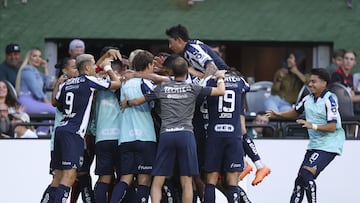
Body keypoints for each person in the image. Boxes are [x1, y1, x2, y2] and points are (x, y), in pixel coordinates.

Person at [123, 55, 226, 203]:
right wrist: (220, 78)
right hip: (186, 135)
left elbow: (138, 101)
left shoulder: (162, 88)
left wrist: (127, 102)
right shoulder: (193, 88)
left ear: (171, 72)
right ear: (186, 72)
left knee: (157, 180)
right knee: (187, 181)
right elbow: (220, 91)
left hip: (167, 135)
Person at [51, 53, 121, 203]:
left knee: (58, 176)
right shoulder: (89, 80)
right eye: (94, 64)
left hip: (60, 129)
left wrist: (58, 83)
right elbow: (117, 84)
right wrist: (108, 68)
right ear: (88, 67)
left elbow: (55, 102)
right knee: (70, 176)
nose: (96, 67)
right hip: (74, 133)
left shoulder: (66, 83)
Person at [267, 68, 345, 203]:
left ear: (324, 83)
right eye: (309, 82)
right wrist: (278, 115)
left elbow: (332, 127)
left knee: (306, 174)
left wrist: (312, 125)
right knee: (300, 179)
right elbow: (296, 111)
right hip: (315, 145)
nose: (310, 84)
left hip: (330, 144)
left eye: (314, 82)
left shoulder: (330, 99)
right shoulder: (308, 99)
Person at [110, 50, 158, 203]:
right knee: (144, 180)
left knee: (125, 179)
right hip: (145, 136)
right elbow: (155, 102)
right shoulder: (146, 83)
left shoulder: (123, 83)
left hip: (125, 137)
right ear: (149, 65)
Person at [203, 68, 250, 203]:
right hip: (233, 136)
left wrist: (217, 77)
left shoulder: (211, 81)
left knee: (210, 181)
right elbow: (247, 87)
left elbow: (201, 86)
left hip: (214, 136)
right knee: (233, 182)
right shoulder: (240, 81)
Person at [40, 57, 79, 203]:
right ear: (64, 70)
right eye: (74, 67)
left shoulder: (61, 84)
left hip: (58, 138)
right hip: (67, 138)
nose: (78, 69)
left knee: (58, 178)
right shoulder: (68, 85)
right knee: (68, 177)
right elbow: (55, 103)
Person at [15, 48, 55, 114]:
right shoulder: (27, 71)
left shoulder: (36, 72)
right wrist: (47, 102)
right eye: (34, 56)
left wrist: (45, 68)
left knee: (47, 119)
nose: (38, 59)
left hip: (35, 101)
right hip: (26, 101)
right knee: (55, 109)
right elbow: (36, 89)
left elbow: (48, 83)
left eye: (40, 56)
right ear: (29, 58)